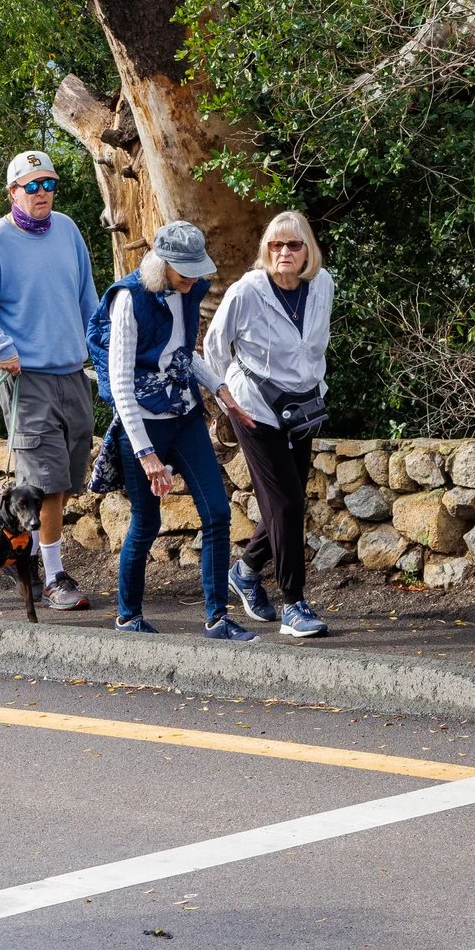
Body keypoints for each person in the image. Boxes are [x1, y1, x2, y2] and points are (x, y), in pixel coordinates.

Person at [0, 150, 100, 610]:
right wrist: (0, 347)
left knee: (67, 479)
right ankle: (53, 578)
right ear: (13, 192)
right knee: (46, 482)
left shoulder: (69, 230)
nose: (43, 193)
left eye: (49, 184)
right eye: (32, 186)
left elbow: (87, 300)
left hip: (72, 373)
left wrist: (100, 352)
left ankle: (30, 565)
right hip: (26, 378)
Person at [102, 222, 248, 638]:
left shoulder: (189, 291)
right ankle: (128, 617)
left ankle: (218, 618)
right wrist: (147, 455)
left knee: (218, 514)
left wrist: (220, 387)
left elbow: (184, 356)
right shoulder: (129, 300)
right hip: (142, 423)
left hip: (184, 417)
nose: (194, 278)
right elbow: (120, 385)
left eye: (197, 270)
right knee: (145, 524)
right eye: (185, 270)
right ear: (162, 264)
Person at [203, 211, 337, 638]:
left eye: (293, 245)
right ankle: (293, 604)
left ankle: (244, 572)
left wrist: (316, 385)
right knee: (285, 504)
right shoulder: (247, 291)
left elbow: (315, 348)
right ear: (266, 250)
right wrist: (229, 399)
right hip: (254, 408)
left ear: (307, 252)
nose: (283, 252)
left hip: (302, 407)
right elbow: (213, 346)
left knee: (290, 499)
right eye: (275, 245)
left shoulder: (323, 286)